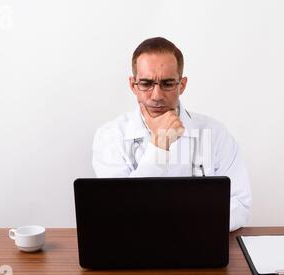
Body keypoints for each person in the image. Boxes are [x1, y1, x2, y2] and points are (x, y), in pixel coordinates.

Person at [92, 37, 252, 231]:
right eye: (146, 83)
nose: (157, 95)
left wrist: (180, 223)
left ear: (182, 85)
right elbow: (121, 211)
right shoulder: (110, 136)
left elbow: (240, 205)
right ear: (133, 85)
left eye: (167, 83)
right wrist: (159, 145)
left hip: (201, 244)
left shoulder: (215, 133)